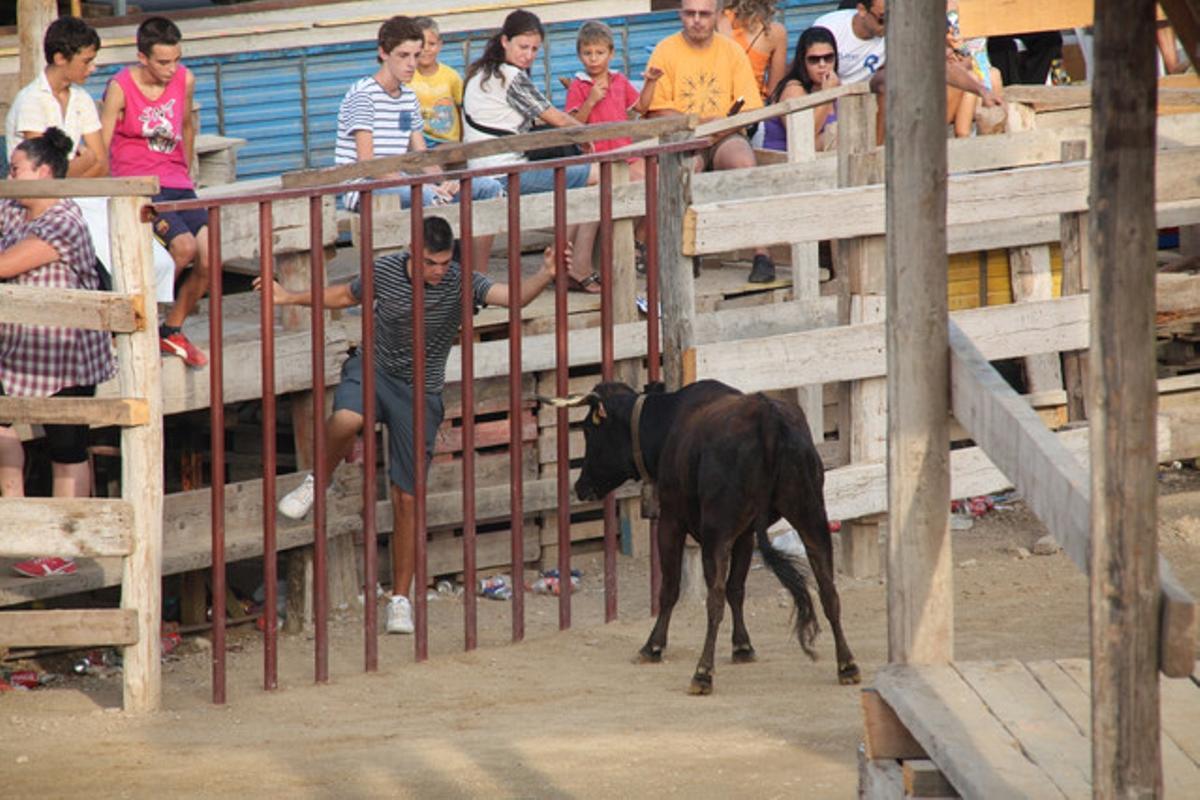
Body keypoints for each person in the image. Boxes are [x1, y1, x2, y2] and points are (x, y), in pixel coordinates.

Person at [259, 217, 570, 634]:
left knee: (407, 499)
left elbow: (512, 298)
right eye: (429, 263)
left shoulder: (460, 281)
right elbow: (342, 294)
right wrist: (288, 298)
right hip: (373, 368)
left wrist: (544, 275)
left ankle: (400, 598)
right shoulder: (385, 271)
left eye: (443, 263)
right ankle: (320, 480)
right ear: (411, 251)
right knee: (347, 417)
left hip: (421, 392)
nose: (438, 271)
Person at [0, 129, 117, 577]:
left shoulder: (64, 219)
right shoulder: (13, 208)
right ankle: (18, 522)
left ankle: (62, 546)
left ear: (43, 173)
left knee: (67, 447)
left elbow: (8, 264)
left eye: (16, 170)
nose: (9, 177)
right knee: (3, 424)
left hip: (65, 349)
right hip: (16, 345)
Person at [7, 16, 177, 310]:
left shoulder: (81, 99)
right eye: (86, 61)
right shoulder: (31, 101)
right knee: (107, 264)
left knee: (151, 257)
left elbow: (100, 162)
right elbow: (42, 176)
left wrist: (75, 166)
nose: (92, 67)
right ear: (61, 58)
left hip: (85, 197)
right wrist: (83, 162)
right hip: (43, 205)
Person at [336, 16, 502, 270]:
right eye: (403, 55)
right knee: (431, 199)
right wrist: (426, 187)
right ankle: (452, 283)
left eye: (416, 55)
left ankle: (474, 280)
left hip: (403, 181)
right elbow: (368, 164)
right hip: (364, 187)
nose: (411, 63)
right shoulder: (363, 94)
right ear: (383, 52)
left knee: (487, 188)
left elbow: (422, 155)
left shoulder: (408, 97)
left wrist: (442, 181)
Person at [101, 16, 210, 368]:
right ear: (142, 57)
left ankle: (172, 326)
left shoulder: (185, 79)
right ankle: (136, 320)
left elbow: (186, 125)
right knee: (184, 247)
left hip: (177, 180)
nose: (171, 68)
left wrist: (188, 167)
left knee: (211, 253)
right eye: (163, 62)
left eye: (176, 59)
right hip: (138, 182)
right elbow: (102, 142)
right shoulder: (120, 86)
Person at [461, 10, 597, 288]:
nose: (529, 55)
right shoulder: (511, 76)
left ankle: (477, 283)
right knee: (599, 175)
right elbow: (557, 119)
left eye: (535, 49)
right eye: (523, 47)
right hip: (504, 175)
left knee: (580, 178)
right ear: (504, 42)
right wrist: (588, 137)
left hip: (481, 172)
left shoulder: (481, 73)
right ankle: (572, 265)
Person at [646, 0, 776, 283]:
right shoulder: (665, 50)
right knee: (686, 168)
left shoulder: (731, 51)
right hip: (683, 136)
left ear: (717, 16)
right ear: (680, 14)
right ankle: (685, 251)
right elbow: (656, 109)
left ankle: (762, 253)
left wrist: (721, 127)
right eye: (690, 13)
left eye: (704, 14)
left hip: (725, 132)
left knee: (743, 163)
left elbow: (749, 107)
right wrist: (699, 124)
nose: (696, 20)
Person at [565, 21, 661, 291]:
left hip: (624, 155)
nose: (593, 59)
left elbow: (640, 107)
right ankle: (590, 263)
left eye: (599, 53)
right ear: (579, 55)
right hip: (598, 159)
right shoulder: (579, 85)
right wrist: (591, 100)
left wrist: (651, 82)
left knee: (657, 180)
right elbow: (574, 125)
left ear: (611, 54)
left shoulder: (619, 81)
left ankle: (634, 242)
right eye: (587, 53)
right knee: (601, 197)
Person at [762, 26, 840, 153]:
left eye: (828, 58)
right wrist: (827, 96)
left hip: (822, 163)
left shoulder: (835, 85)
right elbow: (803, 139)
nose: (822, 64)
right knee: (839, 132)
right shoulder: (793, 89)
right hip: (784, 163)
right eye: (814, 59)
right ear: (802, 61)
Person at [716, 0, 790, 100]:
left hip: (716, 104)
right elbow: (774, 91)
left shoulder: (716, 19)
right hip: (752, 109)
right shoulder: (776, 32)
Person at [410, 17, 464, 148]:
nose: (426, 49)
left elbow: (462, 110)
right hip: (418, 143)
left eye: (432, 44)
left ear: (440, 45)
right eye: (421, 45)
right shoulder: (407, 77)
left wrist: (463, 142)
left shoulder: (451, 76)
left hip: (448, 143)